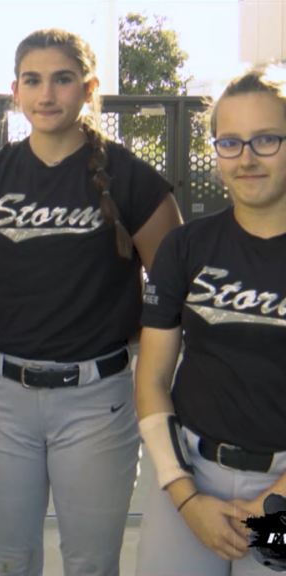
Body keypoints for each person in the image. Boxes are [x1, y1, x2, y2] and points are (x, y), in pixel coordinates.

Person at [0, 29, 182, 576]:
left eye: (62, 79)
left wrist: (111, 333)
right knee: (9, 561)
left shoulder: (133, 179)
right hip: (2, 398)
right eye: (32, 80)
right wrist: (21, 324)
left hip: (98, 399)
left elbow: (173, 295)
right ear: (15, 91)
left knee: (91, 564)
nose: (46, 94)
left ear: (89, 88)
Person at [135, 66, 286, 575]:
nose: (247, 158)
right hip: (190, 476)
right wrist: (184, 496)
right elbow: (152, 380)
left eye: (266, 140)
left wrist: (272, 508)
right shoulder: (185, 247)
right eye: (230, 142)